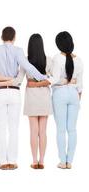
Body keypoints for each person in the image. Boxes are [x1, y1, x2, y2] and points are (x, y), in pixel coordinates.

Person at [0, 27, 48, 170]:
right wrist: (42, 77)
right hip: (14, 93)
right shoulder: (18, 51)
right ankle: (12, 161)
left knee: (1, 129)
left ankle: (3, 161)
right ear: (14, 37)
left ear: (1, 36)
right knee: (14, 129)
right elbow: (28, 67)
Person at [0, 34, 53, 169]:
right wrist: (42, 83)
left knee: (33, 131)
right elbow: (52, 79)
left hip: (31, 96)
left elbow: (18, 80)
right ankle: (42, 161)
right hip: (45, 95)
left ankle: (34, 161)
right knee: (43, 131)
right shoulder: (49, 60)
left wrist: (0, 82)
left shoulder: (26, 60)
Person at [28, 31, 83, 169]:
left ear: (59, 44)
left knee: (61, 130)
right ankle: (69, 161)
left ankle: (62, 161)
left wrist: (36, 84)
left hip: (60, 94)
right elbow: (80, 85)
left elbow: (53, 79)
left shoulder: (57, 58)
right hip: (74, 94)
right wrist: (75, 95)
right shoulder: (79, 60)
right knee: (72, 129)